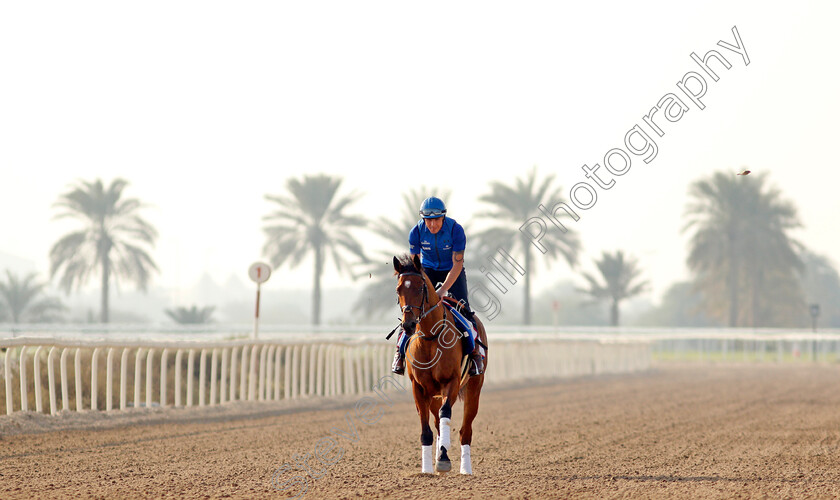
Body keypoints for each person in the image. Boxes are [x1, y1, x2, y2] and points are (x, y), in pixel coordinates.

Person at [392, 196, 485, 377]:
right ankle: (399, 353)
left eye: (436, 220)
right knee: (413, 312)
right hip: (427, 271)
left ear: (443, 217)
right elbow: (416, 266)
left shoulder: (456, 230)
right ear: (423, 219)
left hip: (452, 270)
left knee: (464, 309)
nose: (432, 225)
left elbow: (457, 264)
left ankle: (475, 355)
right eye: (428, 220)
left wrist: (443, 290)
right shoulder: (416, 232)